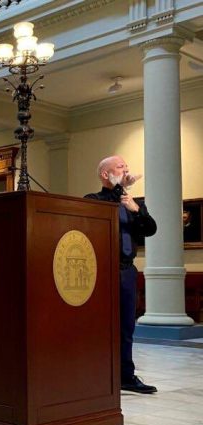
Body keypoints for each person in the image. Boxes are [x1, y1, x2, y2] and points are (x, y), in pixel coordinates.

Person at [85, 155, 158, 394]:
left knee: (127, 326)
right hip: (101, 272)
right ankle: (95, 373)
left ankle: (126, 376)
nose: (126, 169)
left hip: (127, 271)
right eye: (120, 167)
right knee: (98, 326)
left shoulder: (134, 203)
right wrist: (118, 196)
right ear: (105, 175)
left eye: (127, 166)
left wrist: (135, 209)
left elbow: (150, 229)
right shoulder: (93, 201)